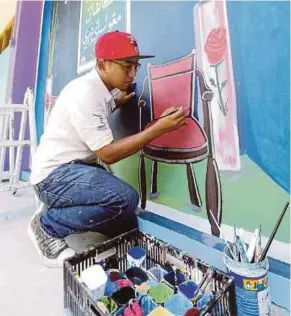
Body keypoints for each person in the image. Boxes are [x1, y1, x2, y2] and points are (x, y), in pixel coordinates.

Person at [29, 30, 186, 268]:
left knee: (123, 220)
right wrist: (157, 129)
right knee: (125, 199)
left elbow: (97, 112)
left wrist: (115, 102)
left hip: (72, 168)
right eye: (126, 66)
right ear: (102, 65)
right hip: (54, 177)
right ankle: (48, 225)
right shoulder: (86, 95)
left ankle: (61, 207)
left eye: (136, 65)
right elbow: (108, 153)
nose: (133, 73)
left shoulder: (98, 91)